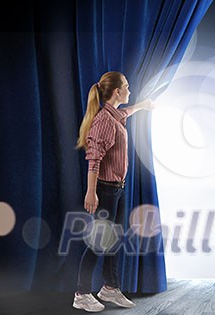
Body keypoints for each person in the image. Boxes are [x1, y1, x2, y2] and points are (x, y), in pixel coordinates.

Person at [72, 71, 154, 312]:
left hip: (118, 189)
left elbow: (126, 112)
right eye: (126, 86)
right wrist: (91, 192)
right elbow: (94, 159)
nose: (130, 89)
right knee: (99, 242)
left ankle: (110, 288)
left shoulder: (116, 115)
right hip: (105, 191)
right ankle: (81, 293)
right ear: (117, 92)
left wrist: (143, 106)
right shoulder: (104, 122)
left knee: (114, 241)